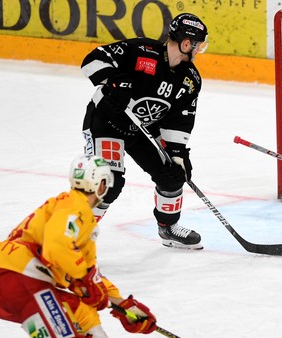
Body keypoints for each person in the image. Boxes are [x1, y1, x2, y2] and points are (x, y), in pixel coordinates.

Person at [0, 154, 157, 338]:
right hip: (19, 280)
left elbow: (89, 272)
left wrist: (124, 305)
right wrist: (83, 280)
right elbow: (58, 246)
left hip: (5, 281)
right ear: (101, 184)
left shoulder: (73, 213)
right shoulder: (75, 208)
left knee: (83, 313)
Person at [80, 13, 209, 249]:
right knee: (108, 182)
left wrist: (178, 154)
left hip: (143, 129)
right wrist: (114, 83)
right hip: (107, 122)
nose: (199, 50)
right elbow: (93, 60)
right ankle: (77, 233)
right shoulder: (140, 51)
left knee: (172, 176)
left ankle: (168, 228)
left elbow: (180, 119)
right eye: (198, 45)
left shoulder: (190, 80)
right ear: (186, 43)